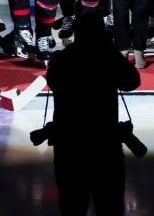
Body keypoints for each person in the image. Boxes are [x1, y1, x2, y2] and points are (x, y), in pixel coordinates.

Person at [42, 13, 142, 216]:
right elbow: (132, 82)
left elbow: (53, 82)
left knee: (71, 206)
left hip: (69, 144)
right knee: (109, 206)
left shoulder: (62, 59)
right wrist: (111, 51)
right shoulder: (107, 57)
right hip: (104, 144)